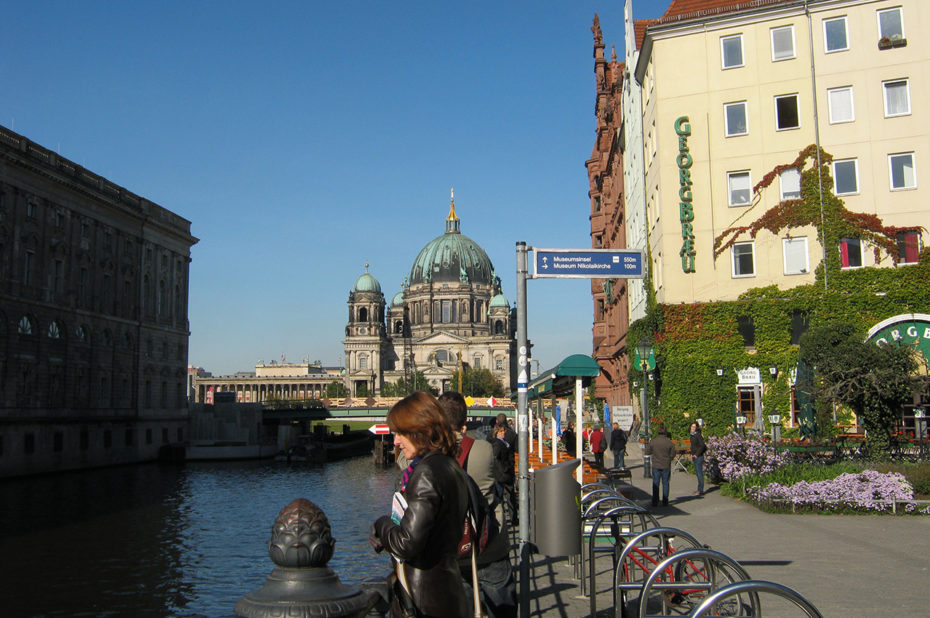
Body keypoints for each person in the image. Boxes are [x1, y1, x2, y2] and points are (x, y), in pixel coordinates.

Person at [371, 392, 469, 618]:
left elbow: (406, 543)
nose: (395, 441)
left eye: (400, 433)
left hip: (424, 601)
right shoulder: (449, 465)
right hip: (447, 592)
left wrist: (382, 524)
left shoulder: (426, 473)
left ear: (420, 430)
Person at [439, 392, 516, 618]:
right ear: (465, 422)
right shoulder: (483, 449)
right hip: (490, 545)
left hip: (453, 550)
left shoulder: (430, 455)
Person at [645, 424, 676, 507]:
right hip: (666, 464)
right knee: (665, 483)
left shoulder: (653, 441)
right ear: (665, 432)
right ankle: (665, 500)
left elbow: (647, 451)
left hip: (656, 464)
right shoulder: (669, 442)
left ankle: (655, 500)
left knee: (656, 483)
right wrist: (669, 458)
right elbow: (673, 453)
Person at [689, 422, 707, 496]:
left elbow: (702, 446)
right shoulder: (692, 435)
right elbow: (694, 446)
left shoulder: (698, 435)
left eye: (694, 427)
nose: (693, 428)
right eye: (692, 426)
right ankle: (699, 489)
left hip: (698, 456)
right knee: (697, 472)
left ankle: (700, 490)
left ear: (697, 428)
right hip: (694, 456)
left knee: (699, 473)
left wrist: (696, 454)